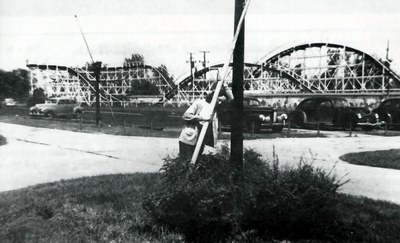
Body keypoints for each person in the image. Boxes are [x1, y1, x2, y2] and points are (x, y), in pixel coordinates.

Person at [179, 83, 233, 160]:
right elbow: (186, 115)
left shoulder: (215, 108)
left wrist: (225, 86)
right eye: (218, 99)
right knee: (186, 162)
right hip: (188, 138)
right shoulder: (200, 103)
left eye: (221, 100)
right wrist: (202, 118)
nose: (219, 102)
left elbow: (231, 99)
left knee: (196, 161)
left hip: (200, 140)